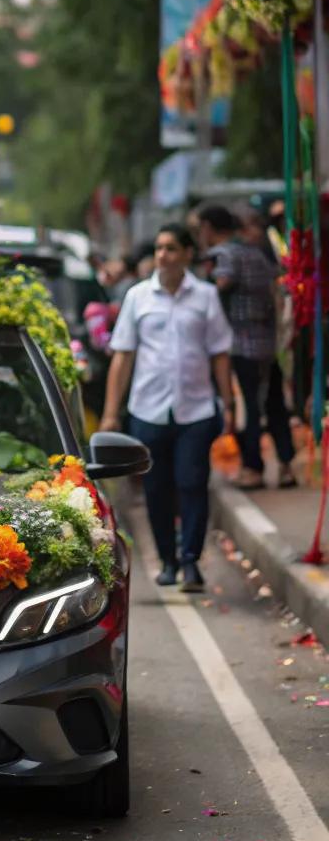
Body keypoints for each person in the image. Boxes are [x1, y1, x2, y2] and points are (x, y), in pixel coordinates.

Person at [101, 224, 234, 592]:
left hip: (196, 409)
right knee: (157, 488)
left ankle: (191, 561)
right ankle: (168, 561)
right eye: (159, 248)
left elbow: (219, 353)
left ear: (188, 254)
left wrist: (229, 402)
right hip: (148, 410)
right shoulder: (138, 297)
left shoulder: (205, 297)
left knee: (192, 483)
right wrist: (112, 411)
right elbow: (123, 356)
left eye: (172, 248)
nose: (163, 255)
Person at [195, 203, 296, 490]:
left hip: (239, 346)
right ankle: (287, 466)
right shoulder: (256, 253)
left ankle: (253, 467)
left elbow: (221, 284)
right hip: (268, 344)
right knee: (275, 404)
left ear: (207, 228)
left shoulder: (223, 254)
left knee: (247, 408)